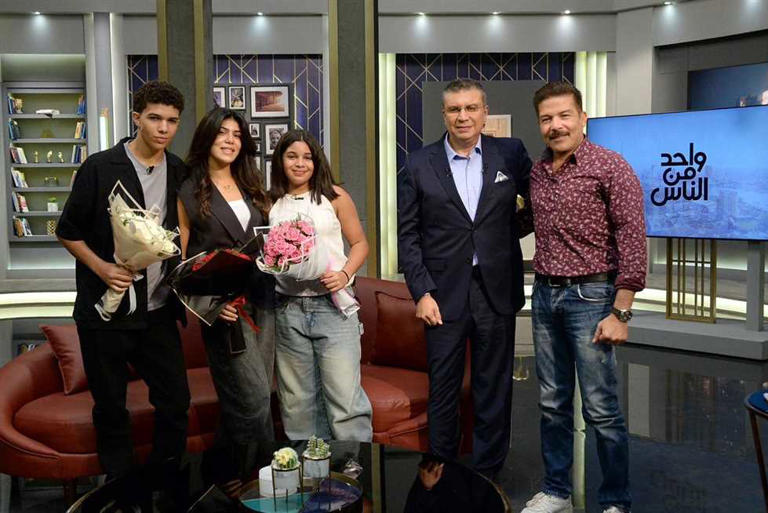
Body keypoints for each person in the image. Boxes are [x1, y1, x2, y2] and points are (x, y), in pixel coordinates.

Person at [520, 81, 645, 513]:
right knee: (552, 403)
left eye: (564, 115)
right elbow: (523, 222)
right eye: (547, 119)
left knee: (600, 408)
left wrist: (621, 311)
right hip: (544, 295)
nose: (556, 125)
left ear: (583, 118)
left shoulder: (610, 166)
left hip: (591, 297)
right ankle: (557, 491)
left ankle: (615, 500)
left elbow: (632, 237)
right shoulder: (538, 171)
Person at [397, 78, 532, 477]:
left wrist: (505, 235)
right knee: (444, 384)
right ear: (444, 114)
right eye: (455, 109)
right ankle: (441, 464)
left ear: (485, 112)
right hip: (442, 293)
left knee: (494, 385)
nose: (463, 116)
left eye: (471, 108)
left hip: (496, 289)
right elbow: (408, 235)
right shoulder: (418, 163)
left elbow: (537, 204)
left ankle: (488, 472)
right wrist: (421, 292)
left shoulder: (510, 153)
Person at [56, 81, 190, 480]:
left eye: (171, 121)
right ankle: (121, 492)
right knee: (111, 408)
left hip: (158, 310)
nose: (163, 128)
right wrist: (102, 268)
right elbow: (67, 231)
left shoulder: (178, 169)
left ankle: (164, 483)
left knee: (175, 402)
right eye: (154, 118)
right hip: (105, 312)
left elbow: (180, 229)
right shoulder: (100, 167)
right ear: (136, 118)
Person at [177, 108, 275, 483]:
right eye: (222, 132)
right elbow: (180, 265)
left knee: (251, 399)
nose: (230, 140)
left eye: (236, 134)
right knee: (253, 400)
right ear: (207, 138)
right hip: (225, 312)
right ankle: (260, 479)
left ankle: (221, 478)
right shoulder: (188, 192)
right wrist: (210, 308)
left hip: (264, 302)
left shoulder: (253, 187)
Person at [269, 129, 372, 441]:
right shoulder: (270, 202)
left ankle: (352, 462)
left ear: (317, 162)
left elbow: (360, 244)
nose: (300, 164)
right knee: (296, 401)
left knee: (345, 398)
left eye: (307, 157)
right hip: (287, 309)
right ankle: (307, 462)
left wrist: (344, 274)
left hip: (334, 306)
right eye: (292, 156)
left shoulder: (335, 197)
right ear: (280, 160)